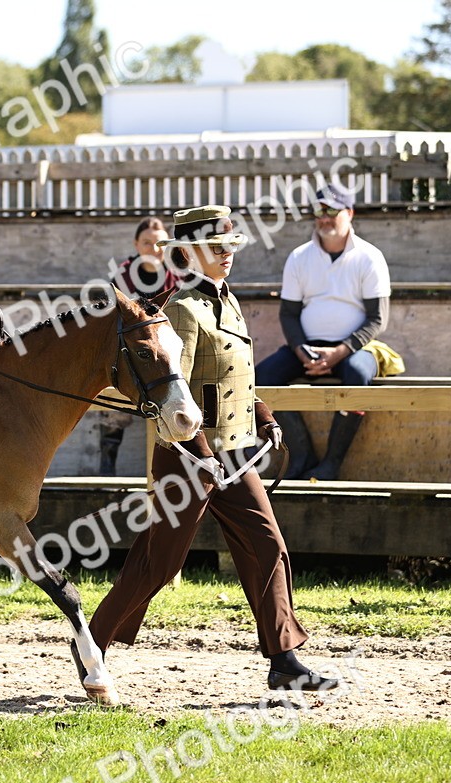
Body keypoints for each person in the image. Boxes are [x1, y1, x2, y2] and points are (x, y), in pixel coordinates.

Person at [86, 205, 336, 693]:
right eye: (216, 247)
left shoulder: (229, 300)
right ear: (189, 253)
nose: (227, 255)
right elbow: (174, 391)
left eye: (230, 246)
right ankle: (92, 642)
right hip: (188, 457)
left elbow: (232, 376)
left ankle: (284, 660)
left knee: (267, 546)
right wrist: (200, 452)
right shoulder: (181, 309)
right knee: (160, 563)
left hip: (235, 452)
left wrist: (263, 415)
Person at [254, 186, 391, 481]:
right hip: (307, 348)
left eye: (332, 210)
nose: (324, 218)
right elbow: (289, 314)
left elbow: (377, 318)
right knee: (259, 379)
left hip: (354, 350)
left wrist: (340, 351)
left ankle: (331, 464)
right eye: (319, 211)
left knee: (358, 375)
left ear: (349, 213)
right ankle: (302, 455)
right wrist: (300, 349)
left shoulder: (370, 257)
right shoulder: (299, 257)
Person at [99, 216, 177, 475]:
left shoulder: (177, 276)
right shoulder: (123, 275)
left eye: (159, 243)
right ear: (136, 244)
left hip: (164, 350)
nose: (153, 249)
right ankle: (106, 466)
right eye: (146, 243)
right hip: (129, 350)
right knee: (116, 396)